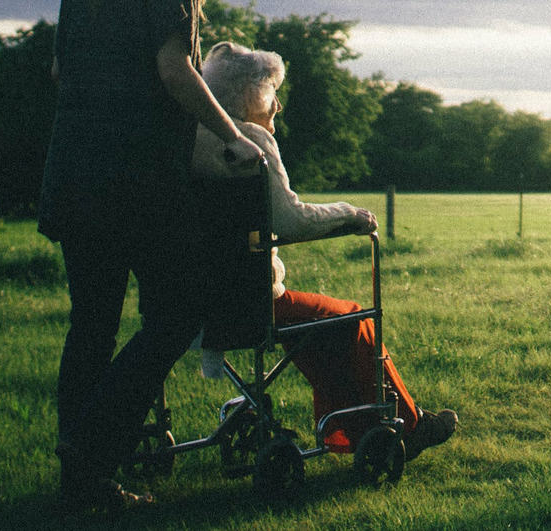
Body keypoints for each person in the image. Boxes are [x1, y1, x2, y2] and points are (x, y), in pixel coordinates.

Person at [38, 0, 262, 515]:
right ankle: (91, 449)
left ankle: (79, 478)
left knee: (93, 323)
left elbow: (61, 71)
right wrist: (232, 135)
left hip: (73, 172)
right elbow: (175, 68)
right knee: (177, 312)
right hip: (134, 178)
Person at [192, 41, 458, 458]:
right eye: (271, 92)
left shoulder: (191, 140)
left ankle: (354, 432)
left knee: (320, 325)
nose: (277, 105)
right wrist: (348, 214)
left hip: (193, 302)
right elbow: (290, 221)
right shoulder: (251, 142)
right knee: (352, 318)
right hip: (250, 302)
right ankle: (408, 425)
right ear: (249, 96)